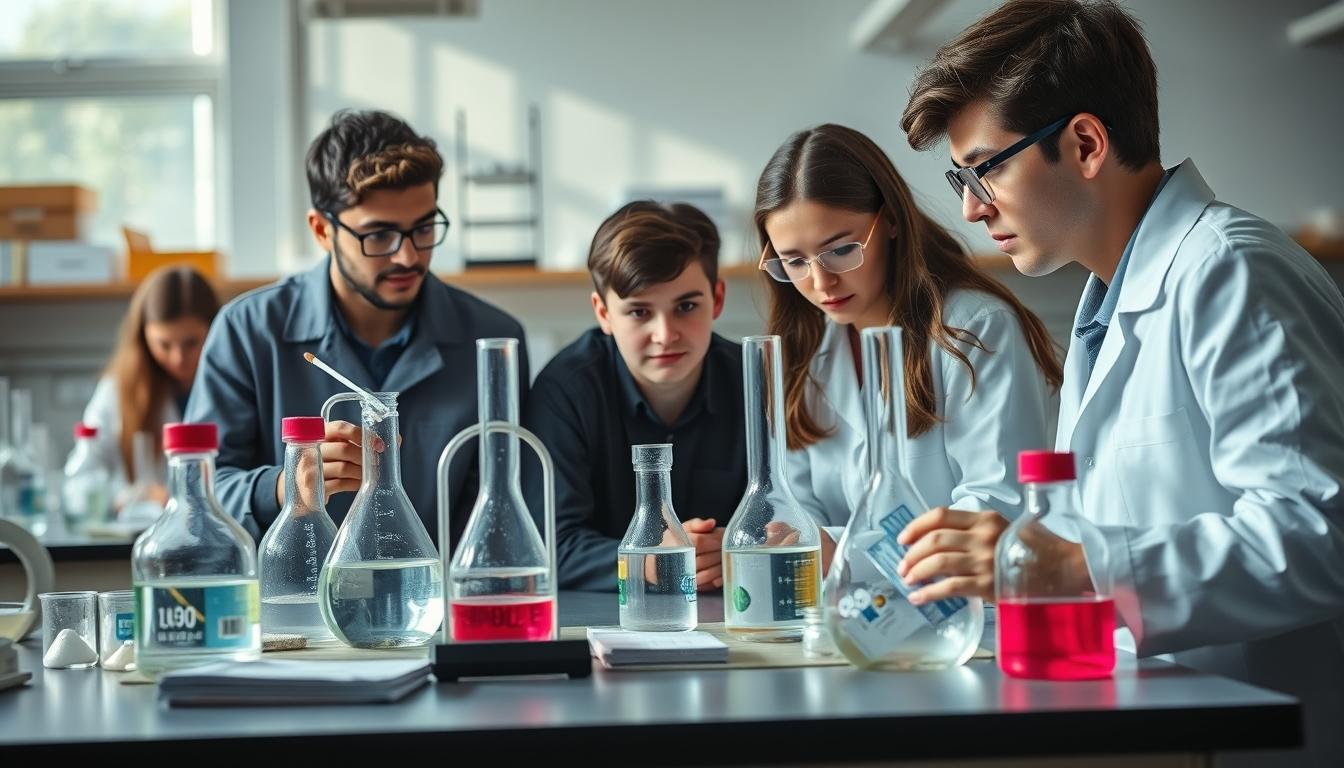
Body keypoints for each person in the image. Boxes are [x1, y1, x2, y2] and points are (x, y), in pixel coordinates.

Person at [896, 2, 1344, 764]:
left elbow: (1317, 536)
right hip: (1157, 726)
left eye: (985, 169)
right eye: (960, 177)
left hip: (1263, 736)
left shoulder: (1230, 270)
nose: (970, 208)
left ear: (1085, 144)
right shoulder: (1105, 305)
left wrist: (1076, 567)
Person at [185, 109, 528, 548]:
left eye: (424, 228)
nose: (408, 257)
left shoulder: (493, 340)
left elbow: (506, 513)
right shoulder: (247, 332)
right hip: (297, 591)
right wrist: (283, 487)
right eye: (379, 235)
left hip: (439, 590)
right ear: (322, 230)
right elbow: (197, 502)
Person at [752, 123, 1060, 565]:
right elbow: (795, 511)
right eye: (794, 261)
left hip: (961, 597)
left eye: (840, 250)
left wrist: (842, 553)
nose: (821, 283)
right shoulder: (803, 353)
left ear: (891, 221)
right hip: (842, 601)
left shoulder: (976, 328)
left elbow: (995, 508)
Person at [523, 201, 744, 591]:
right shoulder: (565, 390)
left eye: (686, 306)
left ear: (718, 299)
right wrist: (653, 561)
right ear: (603, 313)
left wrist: (740, 547)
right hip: (602, 615)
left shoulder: (755, 381)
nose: (665, 335)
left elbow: (792, 519)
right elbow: (550, 546)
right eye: (640, 312)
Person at [82, 265, 220, 506]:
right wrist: (138, 495)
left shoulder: (235, 386)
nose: (178, 358)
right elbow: (81, 482)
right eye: (164, 344)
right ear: (143, 337)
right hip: (142, 526)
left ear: (216, 330)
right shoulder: (118, 391)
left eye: (191, 343)